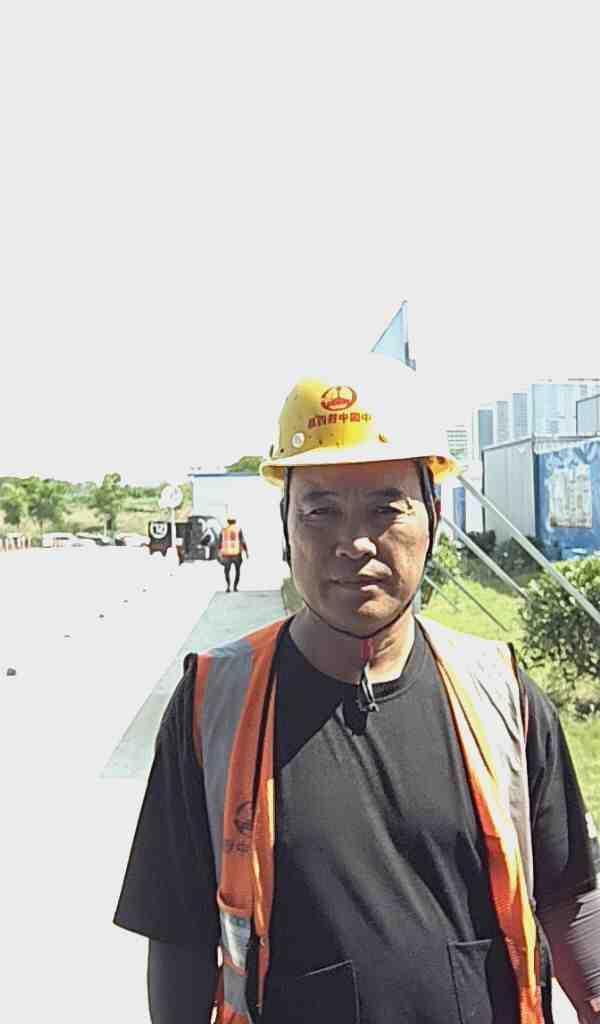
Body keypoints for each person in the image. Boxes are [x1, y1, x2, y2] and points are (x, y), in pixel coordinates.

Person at [114, 354, 600, 1024]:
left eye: (385, 508)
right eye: (321, 510)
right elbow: (179, 937)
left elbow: (568, 894)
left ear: (433, 518)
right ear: (285, 526)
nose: (355, 542)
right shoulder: (211, 704)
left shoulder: (502, 694)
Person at [217, 514, 249, 592]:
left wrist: (218, 552)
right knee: (237, 571)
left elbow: (219, 543)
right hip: (236, 554)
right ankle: (235, 587)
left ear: (228, 522)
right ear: (235, 521)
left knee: (227, 571)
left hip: (226, 554)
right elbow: (243, 541)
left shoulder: (223, 530)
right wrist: (246, 552)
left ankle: (228, 586)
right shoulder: (238, 530)